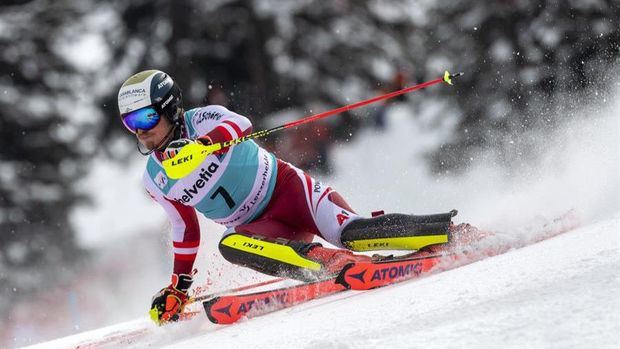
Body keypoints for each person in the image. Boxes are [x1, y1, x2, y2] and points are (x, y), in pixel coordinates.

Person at [117, 70, 461, 325]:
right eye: (130, 122)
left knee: (355, 234)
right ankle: (332, 264)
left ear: (170, 109)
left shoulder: (202, 121)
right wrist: (179, 287)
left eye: (146, 116)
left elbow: (241, 124)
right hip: (262, 232)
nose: (141, 129)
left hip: (291, 192)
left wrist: (204, 146)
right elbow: (185, 229)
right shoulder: (156, 180)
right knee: (230, 244)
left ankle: (453, 233)